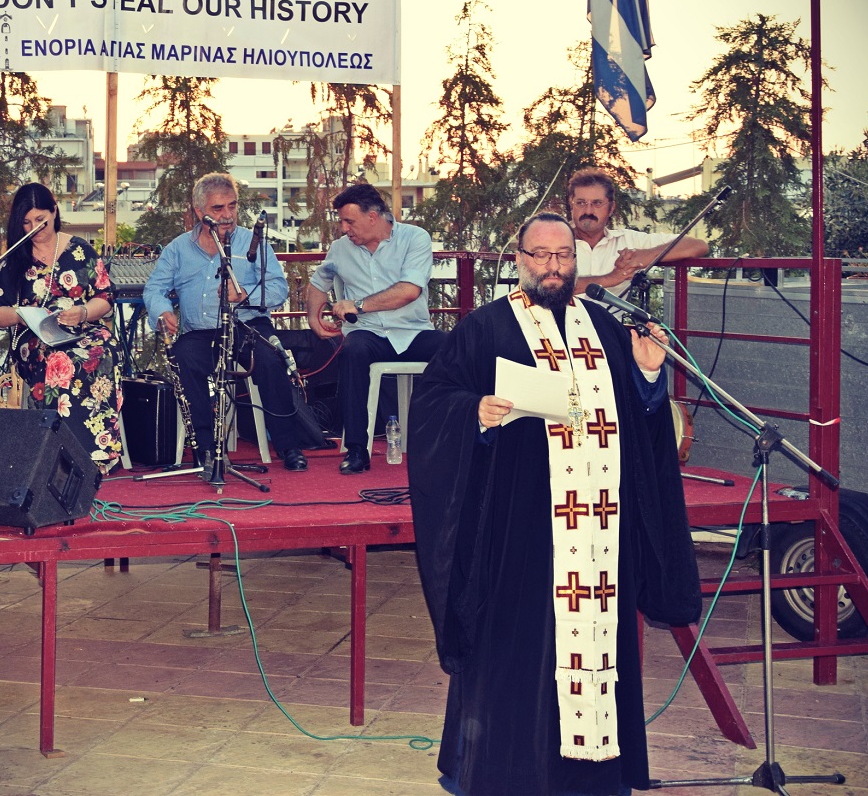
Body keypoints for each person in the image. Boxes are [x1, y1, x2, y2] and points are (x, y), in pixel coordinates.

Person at [408, 212, 701, 796]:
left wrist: (648, 376)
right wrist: (475, 413)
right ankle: (503, 774)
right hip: (520, 523)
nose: (552, 266)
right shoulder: (485, 328)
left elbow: (642, 420)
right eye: (540, 255)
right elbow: (434, 402)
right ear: (520, 260)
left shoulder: (606, 327)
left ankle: (593, 778)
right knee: (515, 649)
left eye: (563, 256)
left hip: (599, 528)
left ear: (575, 261)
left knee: (597, 647)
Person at [144, 172, 320, 471]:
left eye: (232, 206)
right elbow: (154, 289)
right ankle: (206, 448)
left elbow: (278, 289)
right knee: (184, 357)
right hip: (202, 331)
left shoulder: (253, 243)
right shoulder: (178, 249)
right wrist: (162, 311)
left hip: (248, 325)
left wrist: (245, 295)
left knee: (269, 359)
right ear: (199, 211)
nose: (227, 215)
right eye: (218, 208)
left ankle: (289, 446)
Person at [304, 184, 445, 474]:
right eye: (342, 222)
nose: (344, 229)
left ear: (372, 217)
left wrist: (357, 305)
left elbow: (409, 291)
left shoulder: (415, 238)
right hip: (368, 336)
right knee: (353, 350)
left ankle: (451, 441)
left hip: (413, 332)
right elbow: (318, 283)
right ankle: (357, 449)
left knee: (454, 348)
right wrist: (314, 319)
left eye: (349, 221)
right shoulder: (340, 249)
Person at [0, 183, 123, 473]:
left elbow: (105, 297)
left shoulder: (80, 250)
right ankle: (59, 456)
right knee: (62, 359)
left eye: (40, 219)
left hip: (83, 329)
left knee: (103, 351)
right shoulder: (14, 258)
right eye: (26, 222)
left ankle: (97, 454)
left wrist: (83, 312)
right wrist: (23, 316)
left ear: (54, 211)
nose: (34, 228)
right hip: (35, 337)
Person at [568, 168, 708, 290]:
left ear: (611, 208)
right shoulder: (557, 240)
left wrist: (644, 256)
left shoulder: (628, 241)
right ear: (571, 205)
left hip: (613, 315)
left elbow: (697, 246)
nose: (588, 210)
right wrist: (612, 278)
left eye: (597, 203)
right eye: (581, 203)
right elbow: (556, 290)